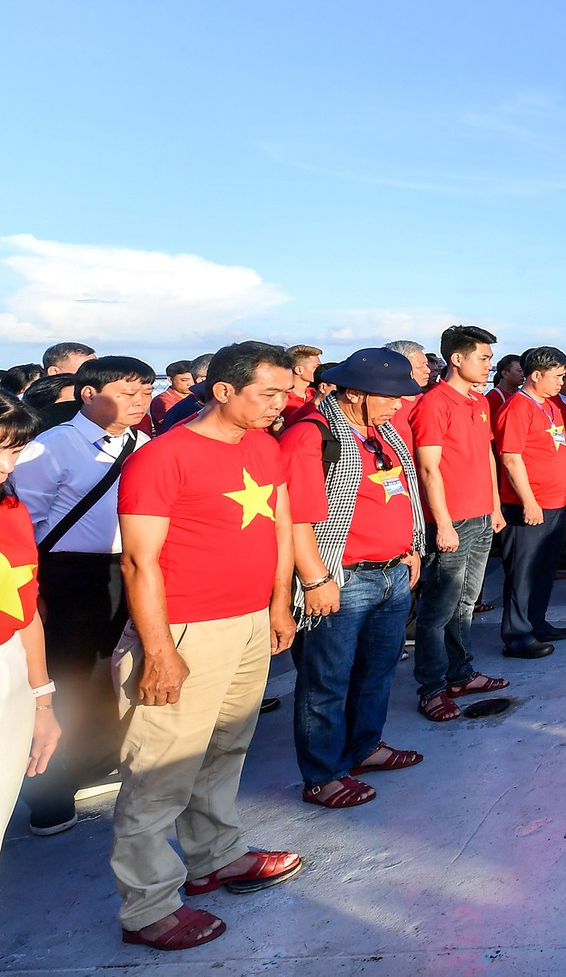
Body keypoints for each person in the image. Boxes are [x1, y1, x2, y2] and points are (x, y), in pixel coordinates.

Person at [111, 340, 301, 951]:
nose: (283, 403)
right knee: (161, 768)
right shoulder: (163, 458)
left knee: (226, 747)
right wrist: (161, 652)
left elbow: (274, 528)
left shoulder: (264, 446)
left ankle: (214, 856)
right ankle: (146, 907)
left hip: (248, 622)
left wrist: (277, 603)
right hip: (186, 631)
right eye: (268, 393)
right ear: (224, 390)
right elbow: (140, 565)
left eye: (285, 391)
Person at [13, 355, 153, 836]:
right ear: (89, 395)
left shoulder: (144, 443)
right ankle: (47, 793)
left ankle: (93, 762)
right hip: (67, 574)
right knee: (69, 676)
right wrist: (34, 590)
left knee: (110, 673)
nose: (140, 402)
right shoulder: (51, 447)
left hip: (127, 569)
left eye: (146, 392)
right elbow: (23, 525)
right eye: (128, 393)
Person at [282, 349, 427, 810]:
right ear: (355, 394)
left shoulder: (380, 431)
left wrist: (411, 547)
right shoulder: (311, 435)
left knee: (377, 671)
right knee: (326, 680)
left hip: (391, 573)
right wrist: (315, 579)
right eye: (389, 397)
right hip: (340, 577)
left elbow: (401, 491)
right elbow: (295, 518)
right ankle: (323, 774)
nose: (398, 405)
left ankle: (366, 747)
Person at [408, 325, 509, 723]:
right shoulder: (434, 404)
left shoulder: (478, 402)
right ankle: (432, 687)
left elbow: (486, 455)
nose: (489, 365)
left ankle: (461, 672)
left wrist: (495, 504)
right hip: (452, 520)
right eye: (483, 357)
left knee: (466, 602)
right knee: (438, 609)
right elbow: (429, 468)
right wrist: (443, 524)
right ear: (457, 359)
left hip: (481, 514)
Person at [0, 391, 62, 864]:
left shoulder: (12, 514)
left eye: (15, 449)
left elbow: (26, 612)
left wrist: (41, 701)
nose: (8, 464)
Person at [493, 347, 566, 659]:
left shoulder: (550, 406)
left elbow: (554, 448)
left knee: (544, 567)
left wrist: (564, 488)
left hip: (554, 500)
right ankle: (517, 636)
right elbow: (511, 458)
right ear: (536, 376)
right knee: (523, 571)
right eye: (556, 377)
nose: (561, 382)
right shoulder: (517, 408)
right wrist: (528, 501)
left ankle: (537, 622)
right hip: (528, 504)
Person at [282, 346, 323, 427]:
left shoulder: (316, 393)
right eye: (316, 367)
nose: (320, 371)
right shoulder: (282, 399)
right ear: (299, 370)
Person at [150, 362, 195, 433]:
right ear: (170, 379)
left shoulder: (196, 396)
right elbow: (174, 424)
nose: (191, 383)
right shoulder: (162, 400)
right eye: (184, 380)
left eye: (193, 379)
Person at [487, 354, 524, 419]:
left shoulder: (522, 394)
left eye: (523, 371)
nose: (523, 374)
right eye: (519, 371)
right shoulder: (492, 398)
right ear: (505, 373)